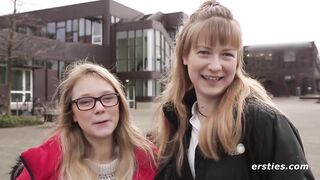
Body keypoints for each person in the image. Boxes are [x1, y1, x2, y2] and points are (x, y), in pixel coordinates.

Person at [154, 1, 314, 180]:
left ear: (237, 61)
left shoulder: (266, 123)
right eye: (204, 52)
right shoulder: (176, 121)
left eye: (227, 54)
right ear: (185, 56)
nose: (215, 66)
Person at [11, 61, 157, 180]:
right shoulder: (41, 169)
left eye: (107, 98)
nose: (99, 108)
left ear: (120, 105)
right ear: (72, 114)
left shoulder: (153, 161)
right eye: (85, 102)